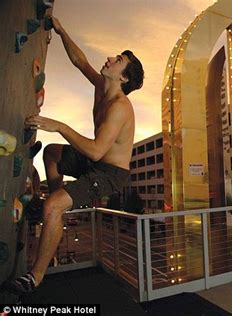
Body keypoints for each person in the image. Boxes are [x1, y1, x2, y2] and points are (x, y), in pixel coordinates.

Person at [7, 16, 144, 295]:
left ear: (124, 77)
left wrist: (59, 126)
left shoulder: (120, 107)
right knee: (52, 153)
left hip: (109, 174)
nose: (110, 58)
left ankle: (36, 275)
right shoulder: (102, 86)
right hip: (95, 160)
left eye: (118, 60)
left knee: (54, 204)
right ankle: (56, 207)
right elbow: (81, 61)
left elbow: (95, 150)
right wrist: (60, 30)